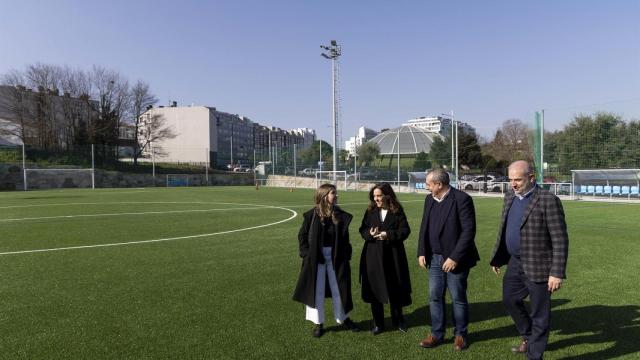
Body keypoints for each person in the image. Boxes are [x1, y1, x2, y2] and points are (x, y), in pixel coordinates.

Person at [490, 160, 569, 360]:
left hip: (539, 265)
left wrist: (556, 272)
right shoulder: (509, 196)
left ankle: (534, 355)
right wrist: (498, 258)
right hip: (515, 263)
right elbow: (505, 228)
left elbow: (560, 238)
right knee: (510, 300)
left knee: (539, 314)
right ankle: (528, 336)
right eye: (510, 180)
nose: (513, 184)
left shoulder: (547, 199)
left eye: (518, 179)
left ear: (531, 177)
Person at [417, 169, 479, 351]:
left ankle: (461, 334)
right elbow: (424, 227)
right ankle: (436, 334)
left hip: (455, 260)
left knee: (458, 297)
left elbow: (468, 231)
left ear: (439, 184)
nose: (427, 187)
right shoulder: (429, 200)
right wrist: (422, 252)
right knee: (435, 296)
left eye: (429, 184)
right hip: (434, 258)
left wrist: (454, 257)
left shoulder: (462, 199)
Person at [292, 183, 360, 337]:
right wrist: (307, 254)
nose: (336, 196)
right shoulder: (312, 215)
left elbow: (345, 238)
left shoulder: (339, 214)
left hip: (337, 257)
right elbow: (302, 236)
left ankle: (344, 318)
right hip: (316, 258)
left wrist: (347, 253)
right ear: (324, 196)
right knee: (317, 289)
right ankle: (318, 323)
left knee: (339, 288)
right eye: (333, 193)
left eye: (336, 193)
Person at [358, 182, 412, 335]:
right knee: (375, 289)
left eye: (379, 196)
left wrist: (388, 235)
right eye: (374, 196)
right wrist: (370, 233)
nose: (376, 199)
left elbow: (405, 230)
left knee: (395, 287)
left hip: (393, 255)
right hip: (373, 255)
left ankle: (398, 320)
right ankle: (378, 323)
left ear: (387, 195)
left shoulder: (397, 211)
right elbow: (362, 229)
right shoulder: (370, 211)